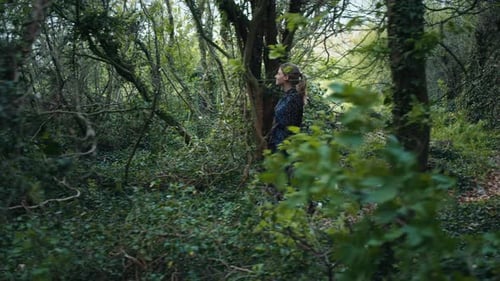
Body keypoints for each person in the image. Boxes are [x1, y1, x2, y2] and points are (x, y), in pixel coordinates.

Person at [268, 62, 307, 152]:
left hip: (285, 147)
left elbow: (290, 126)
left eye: (278, 74)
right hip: (278, 144)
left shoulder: (294, 98)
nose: (276, 76)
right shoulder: (287, 96)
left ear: (286, 77)